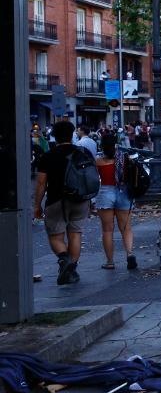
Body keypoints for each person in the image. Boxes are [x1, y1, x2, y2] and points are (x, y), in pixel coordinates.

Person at [34, 121, 91, 285]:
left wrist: (37, 205)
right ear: (72, 134)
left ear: (54, 136)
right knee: (75, 234)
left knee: (55, 236)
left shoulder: (48, 156)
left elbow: (41, 183)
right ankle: (71, 270)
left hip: (56, 200)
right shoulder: (83, 152)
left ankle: (64, 259)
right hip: (80, 199)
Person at [94, 134, 137, 271]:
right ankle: (130, 254)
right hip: (123, 192)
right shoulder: (124, 159)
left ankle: (110, 261)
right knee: (126, 228)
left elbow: (95, 179)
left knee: (107, 230)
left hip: (105, 193)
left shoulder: (98, 161)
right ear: (115, 144)